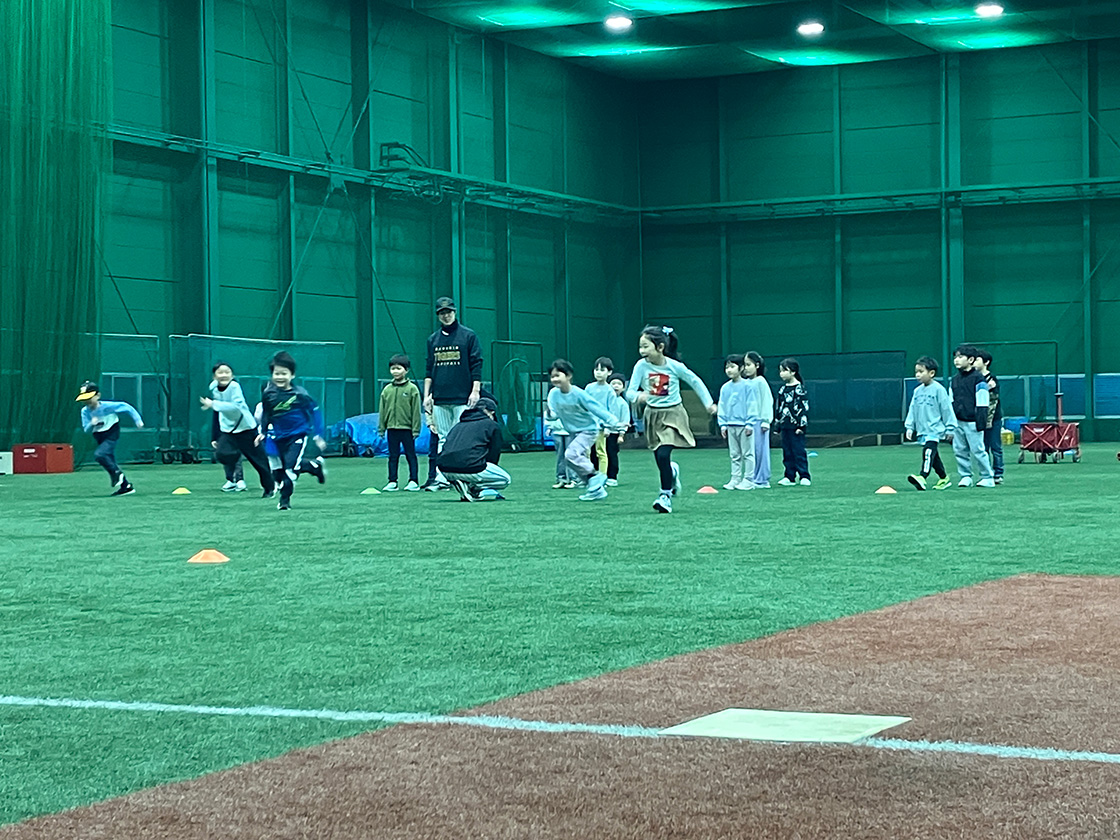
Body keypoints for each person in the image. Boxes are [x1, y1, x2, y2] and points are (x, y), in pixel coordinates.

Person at [625, 325, 717, 514]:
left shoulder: (674, 366)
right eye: (640, 347)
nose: (642, 351)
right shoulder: (641, 366)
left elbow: (695, 381)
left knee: (663, 454)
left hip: (673, 414)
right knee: (659, 457)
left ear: (660, 347)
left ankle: (665, 495)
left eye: (645, 346)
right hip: (652, 415)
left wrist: (708, 404)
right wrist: (638, 397)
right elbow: (630, 392)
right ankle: (672, 472)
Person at [423, 296, 483, 489]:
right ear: (438, 315)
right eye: (442, 313)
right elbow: (429, 369)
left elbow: (476, 364)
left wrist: (475, 391)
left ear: (455, 312)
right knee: (442, 438)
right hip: (440, 398)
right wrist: (427, 396)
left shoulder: (468, 336)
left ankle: (462, 476)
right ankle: (442, 478)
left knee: (460, 438)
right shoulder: (433, 339)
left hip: (462, 396)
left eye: (448, 312)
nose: (446, 315)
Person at [256, 351, 327, 510]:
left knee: (289, 468)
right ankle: (313, 466)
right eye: (277, 373)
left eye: (284, 373)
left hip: (297, 435)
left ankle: (284, 501)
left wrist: (318, 434)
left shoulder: (300, 394)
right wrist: (263, 433)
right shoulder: (268, 394)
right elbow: (267, 414)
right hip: (278, 437)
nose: (280, 377)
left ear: (292, 375)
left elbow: (315, 411)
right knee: (281, 470)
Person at [200, 361, 275, 497]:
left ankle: (269, 488)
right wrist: (214, 436)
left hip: (246, 429)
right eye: (220, 372)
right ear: (214, 376)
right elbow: (217, 412)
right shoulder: (213, 388)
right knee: (222, 454)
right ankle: (234, 473)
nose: (224, 375)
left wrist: (213, 404)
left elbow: (235, 407)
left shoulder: (234, 387)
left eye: (227, 372)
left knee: (259, 461)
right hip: (228, 430)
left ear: (232, 375)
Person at [546, 359, 616, 502]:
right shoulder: (553, 394)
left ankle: (595, 476)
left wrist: (612, 422)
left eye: (558, 375)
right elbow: (554, 415)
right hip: (572, 431)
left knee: (571, 454)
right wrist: (549, 416)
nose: (554, 379)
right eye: (552, 376)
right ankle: (595, 488)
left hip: (588, 430)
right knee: (570, 459)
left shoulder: (578, 393)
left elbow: (595, 407)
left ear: (568, 376)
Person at [76, 381, 143, 496]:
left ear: (98, 396)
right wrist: (92, 423)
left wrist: (138, 421)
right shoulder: (85, 411)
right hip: (99, 436)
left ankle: (117, 474)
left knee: (100, 455)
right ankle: (126, 487)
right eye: (84, 399)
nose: (87, 402)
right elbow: (86, 430)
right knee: (108, 459)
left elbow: (127, 407)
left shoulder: (108, 406)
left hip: (111, 433)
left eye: (89, 398)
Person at [438, 396, 510, 501]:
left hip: (445, 470)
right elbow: (494, 454)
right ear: (491, 412)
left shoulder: (458, 425)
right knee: (506, 480)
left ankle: (464, 484)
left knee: (465, 466)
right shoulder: (491, 425)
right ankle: (473, 487)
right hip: (472, 468)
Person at [904, 356, 955, 491]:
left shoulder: (939, 390)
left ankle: (922, 477)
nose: (917, 375)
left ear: (931, 373)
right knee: (933, 456)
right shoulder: (917, 391)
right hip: (923, 430)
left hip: (934, 430)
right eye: (916, 372)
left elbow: (946, 409)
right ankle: (944, 478)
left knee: (928, 452)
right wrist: (909, 427)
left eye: (921, 371)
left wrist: (950, 428)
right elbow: (912, 410)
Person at [949, 344, 996, 488]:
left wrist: (980, 421)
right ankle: (965, 476)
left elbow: (983, 402)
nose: (956, 360)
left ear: (970, 360)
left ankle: (987, 477)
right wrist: (951, 421)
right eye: (955, 357)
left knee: (978, 450)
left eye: (960, 357)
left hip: (973, 422)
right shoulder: (954, 379)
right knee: (960, 450)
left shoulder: (978, 379)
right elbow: (950, 401)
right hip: (958, 422)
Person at [378, 354, 422, 492]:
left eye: (399, 368)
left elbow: (416, 411)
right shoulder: (387, 390)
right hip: (392, 428)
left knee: (410, 455)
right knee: (393, 456)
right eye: (393, 368)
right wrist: (381, 428)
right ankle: (392, 481)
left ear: (406, 370)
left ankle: (414, 481)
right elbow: (382, 410)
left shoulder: (412, 389)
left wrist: (415, 429)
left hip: (407, 429)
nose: (395, 371)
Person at [717, 354, 755, 491]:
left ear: (741, 368)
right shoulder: (725, 388)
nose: (729, 370)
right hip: (730, 425)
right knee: (734, 454)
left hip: (744, 425)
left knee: (748, 453)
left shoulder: (748, 386)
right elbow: (722, 406)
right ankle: (735, 478)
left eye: (732, 367)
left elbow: (752, 405)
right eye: (727, 367)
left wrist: (750, 423)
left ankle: (749, 479)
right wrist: (723, 424)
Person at [775, 358, 811, 487]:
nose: (782, 374)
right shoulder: (782, 390)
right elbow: (779, 408)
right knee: (787, 452)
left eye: (785, 371)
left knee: (798, 451)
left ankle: (804, 476)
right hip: (785, 426)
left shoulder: (800, 389)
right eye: (780, 371)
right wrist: (777, 424)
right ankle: (789, 476)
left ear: (793, 372)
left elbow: (803, 407)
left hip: (796, 428)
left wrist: (801, 425)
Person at [744, 351, 773, 489]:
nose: (746, 368)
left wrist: (766, 420)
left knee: (761, 451)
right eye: (745, 365)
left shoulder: (761, 382)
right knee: (750, 451)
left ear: (757, 365)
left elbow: (767, 401)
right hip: (748, 421)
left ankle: (762, 479)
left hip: (759, 421)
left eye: (749, 364)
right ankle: (751, 476)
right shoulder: (745, 383)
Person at [975, 349, 1004, 485]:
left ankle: (998, 473)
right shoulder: (974, 378)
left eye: (977, 360)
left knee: (995, 446)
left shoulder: (992, 379)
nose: (974, 362)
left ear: (986, 362)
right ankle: (986, 473)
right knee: (983, 446)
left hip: (994, 418)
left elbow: (993, 396)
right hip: (980, 418)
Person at [585, 357, 614, 479]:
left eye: (602, 370)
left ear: (609, 372)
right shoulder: (589, 388)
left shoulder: (609, 390)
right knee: (586, 451)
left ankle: (602, 476)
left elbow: (610, 410)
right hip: (588, 426)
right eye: (596, 369)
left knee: (601, 451)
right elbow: (584, 405)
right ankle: (587, 475)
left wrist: (608, 427)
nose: (598, 372)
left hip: (601, 427)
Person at [602, 373, 630, 486]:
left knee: (612, 454)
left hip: (614, 433)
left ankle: (612, 477)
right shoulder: (604, 401)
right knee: (598, 454)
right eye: (613, 383)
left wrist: (621, 434)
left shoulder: (623, 404)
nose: (616, 386)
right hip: (602, 432)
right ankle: (599, 476)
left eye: (619, 384)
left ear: (623, 387)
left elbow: (625, 419)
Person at [546, 412, 575, 489]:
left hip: (571, 430)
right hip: (557, 431)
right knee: (560, 456)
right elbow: (549, 414)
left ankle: (573, 479)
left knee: (570, 456)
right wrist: (549, 427)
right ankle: (561, 479)